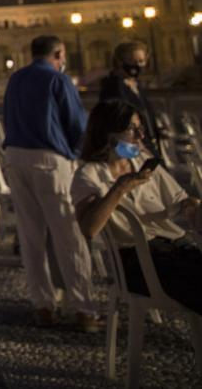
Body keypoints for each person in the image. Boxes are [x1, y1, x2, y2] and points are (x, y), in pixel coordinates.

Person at [2, 35, 100, 331]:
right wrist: (77, 154)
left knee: (30, 235)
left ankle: (42, 305)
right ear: (58, 53)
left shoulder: (16, 78)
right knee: (68, 234)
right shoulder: (58, 79)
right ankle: (84, 309)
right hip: (49, 160)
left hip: (16, 157)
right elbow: (76, 124)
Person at [73, 99, 202, 314]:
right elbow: (89, 229)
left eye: (140, 128)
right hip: (137, 262)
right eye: (131, 129)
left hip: (175, 248)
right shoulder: (88, 176)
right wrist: (118, 189)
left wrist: (192, 207)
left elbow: (181, 202)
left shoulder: (144, 162)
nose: (140, 136)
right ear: (108, 133)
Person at [98, 41, 164, 159]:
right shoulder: (113, 87)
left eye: (141, 61)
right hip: (132, 150)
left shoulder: (136, 85)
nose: (137, 65)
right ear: (120, 61)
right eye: (132, 61)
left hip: (148, 146)